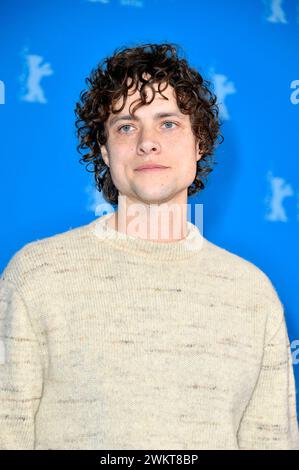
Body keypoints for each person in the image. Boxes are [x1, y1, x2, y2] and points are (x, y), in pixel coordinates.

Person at [0, 42, 298, 450]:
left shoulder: (252, 293)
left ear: (200, 145)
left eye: (168, 123)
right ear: (105, 151)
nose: (147, 142)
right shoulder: (36, 275)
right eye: (126, 126)